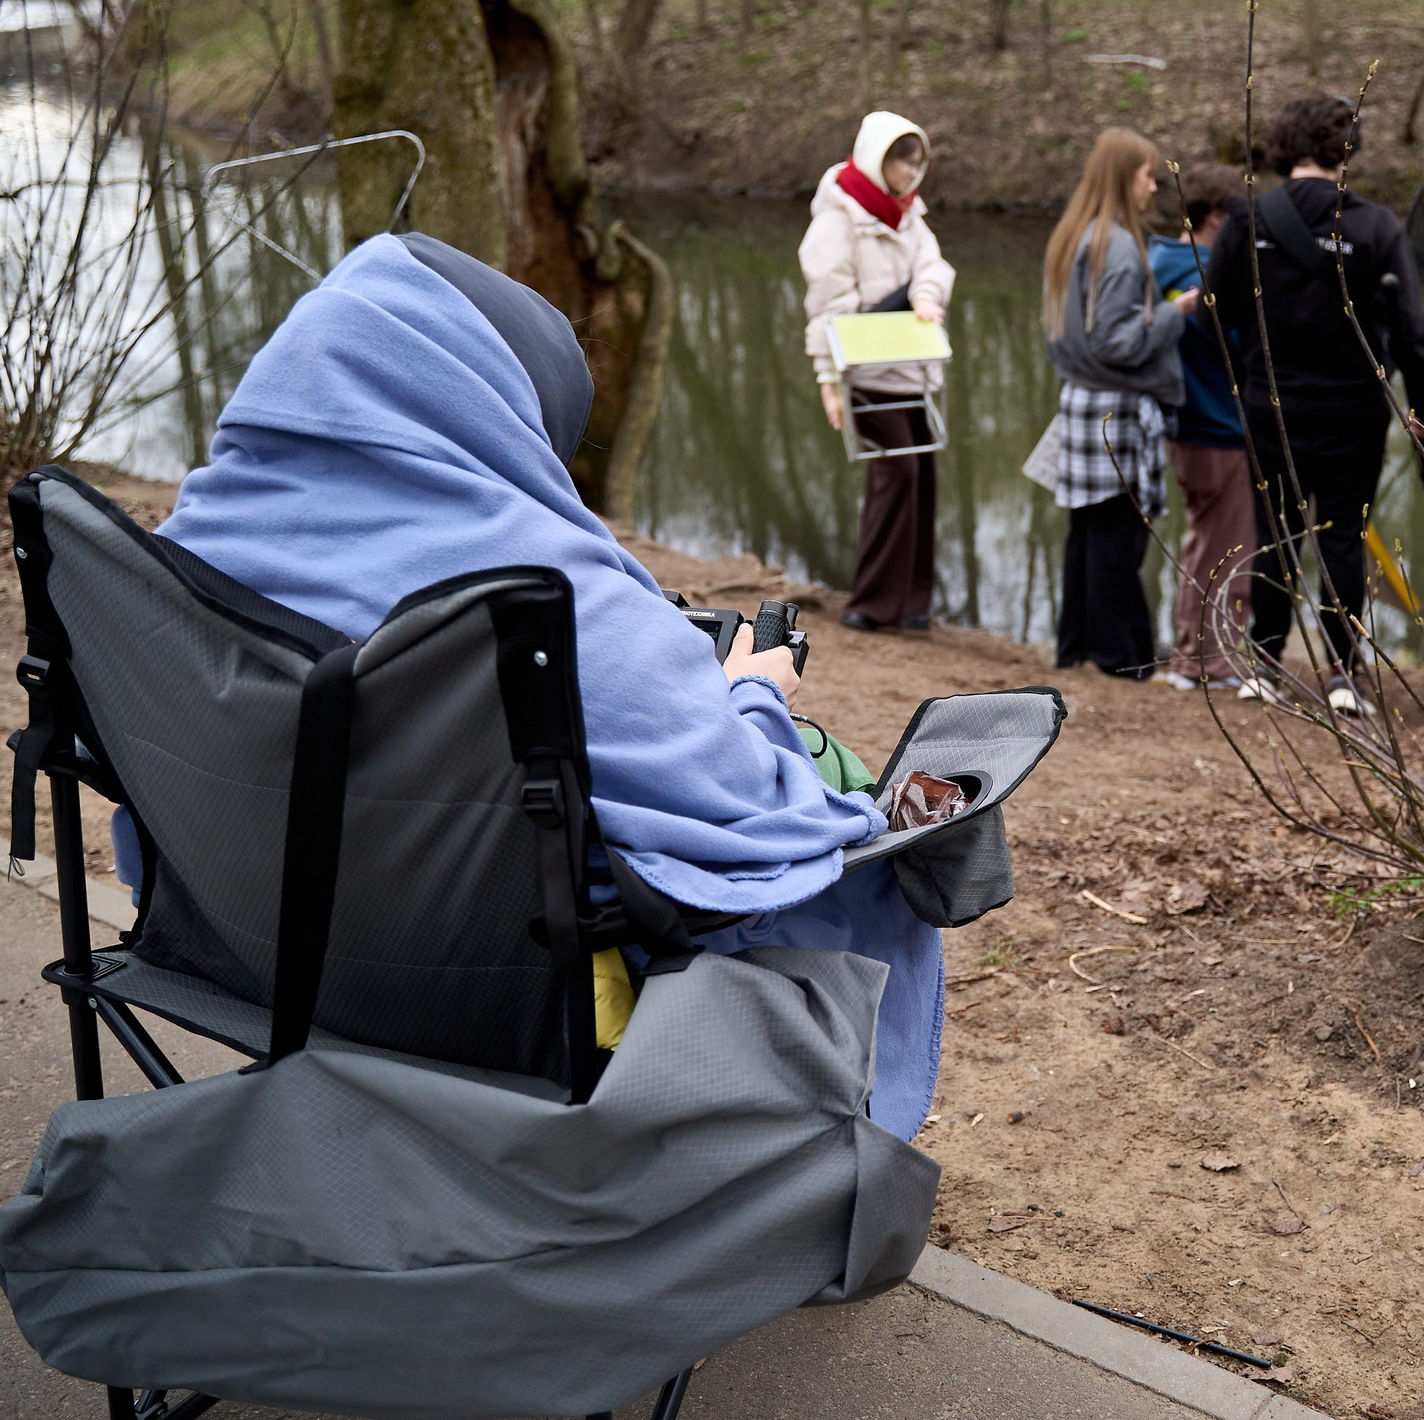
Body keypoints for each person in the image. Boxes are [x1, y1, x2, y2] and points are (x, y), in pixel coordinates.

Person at [138, 232, 950, 1140]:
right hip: (485, 1007)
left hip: (250, 945)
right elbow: (749, 810)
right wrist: (754, 695)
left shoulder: (176, 557)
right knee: (859, 833)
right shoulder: (545, 600)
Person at [1204, 94, 1424, 716]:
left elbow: (1216, 315)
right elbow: (1414, 334)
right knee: (1340, 535)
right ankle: (1342, 674)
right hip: (1353, 412)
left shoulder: (1244, 222)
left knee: (1273, 532)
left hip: (1267, 405)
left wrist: (1257, 358)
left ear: (1284, 148)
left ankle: (1264, 665)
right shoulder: (1375, 228)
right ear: (1347, 149)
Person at [1044, 129, 1196, 678]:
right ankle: (1120, 658)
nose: (1153, 188)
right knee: (1119, 536)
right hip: (1117, 410)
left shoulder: (1073, 235)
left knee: (1088, 531)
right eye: (1146, 176)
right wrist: (1177, 311)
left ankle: (1076, 647)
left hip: (1081, 399)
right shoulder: (1119, 248)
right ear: (1122, 177)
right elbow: (1116, 341)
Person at [801, 111, 956, 632]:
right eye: (902, 162)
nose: (912, 174)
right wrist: (828, 382)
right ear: (876, 158)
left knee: (923, 475)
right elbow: (825, 306)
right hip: (864, 373)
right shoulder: (838, 220)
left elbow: (933, 266)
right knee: (897, 473)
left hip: (911, 369)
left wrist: (926, 294)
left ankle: (913, 604)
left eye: (918, 162)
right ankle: (870, 603)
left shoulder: (909, 216)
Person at [1149, 162, 1253, 690]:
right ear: (1217, 215)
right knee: (1225, 547)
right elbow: (1243, 345)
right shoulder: (1214, 272)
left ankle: (1193, 651)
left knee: (1203, 539)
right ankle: (1204, 661)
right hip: (1219, 428)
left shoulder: (1156, 259)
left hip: (1181, 430)